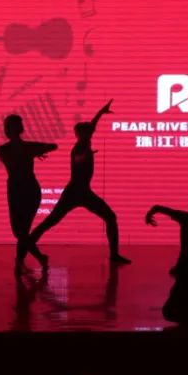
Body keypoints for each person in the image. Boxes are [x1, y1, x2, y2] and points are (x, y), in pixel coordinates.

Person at [27, 100, 132, 264]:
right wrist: (86, 156)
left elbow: (92, 126)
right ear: (78, 134)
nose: (89, 134)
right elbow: (77, 158)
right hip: (75, 191)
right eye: (85, 133)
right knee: (52, 220)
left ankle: (114, 255)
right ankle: (28, 242)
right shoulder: (80, 147)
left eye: (88, 133)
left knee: (109, 217)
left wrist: (100, 112)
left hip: (83, 192)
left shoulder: (86, 141)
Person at [0, 114, 57, 272]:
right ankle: (38, 257)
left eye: (9, 127)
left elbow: (53, 146)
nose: (7, 130)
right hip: (18, 191)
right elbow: (51, 146)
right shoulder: (12, 149)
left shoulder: (8, 149)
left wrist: (35, 151)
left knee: (21, 231)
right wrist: (35, 151)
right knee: (20, 231)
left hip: (26, 190)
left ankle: (20, 262)